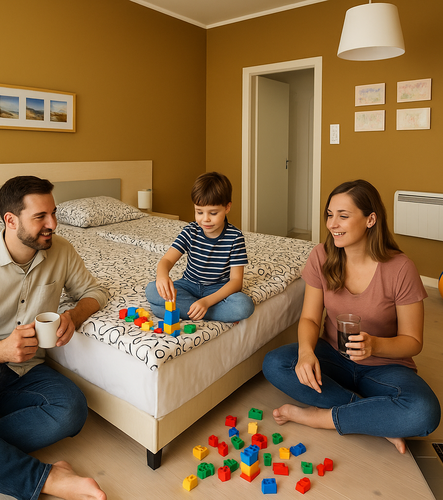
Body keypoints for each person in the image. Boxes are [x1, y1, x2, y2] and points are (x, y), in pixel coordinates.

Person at [0, 176, 109, 500]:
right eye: (41, 217)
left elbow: (96, 291)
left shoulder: (61, 251)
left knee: (72, 409)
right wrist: (1, 351)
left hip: (27, 372)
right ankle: (49, 479)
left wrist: (72, 316)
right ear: (10, 220)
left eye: (54, 213)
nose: (53, 224)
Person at [262, 179, 441, 454]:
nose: (332, 224)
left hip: (384, 366)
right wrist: (307, 352)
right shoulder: (321, 256)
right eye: (330, 215)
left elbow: (413, 341)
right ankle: (373, 417)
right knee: (276, 363)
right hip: (332, 356)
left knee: (423, 412)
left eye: (343, 216)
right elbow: (310, 319)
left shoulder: (400, 268)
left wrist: (375, 345)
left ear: (371, 219)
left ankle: (322, 417)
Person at [145, 171, 255, 322]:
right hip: (188, 285)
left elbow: (236, 281)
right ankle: (208, 312)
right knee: (152, 290)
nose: (205, 219)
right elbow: (167, 261)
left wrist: (206, 302)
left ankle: (193, 310)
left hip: (217, 290)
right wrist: (162, 275)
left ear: (227, 207)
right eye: (199, 212)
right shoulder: (190, 231)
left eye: (213, 213)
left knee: (244, 306)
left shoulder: (235, 237)